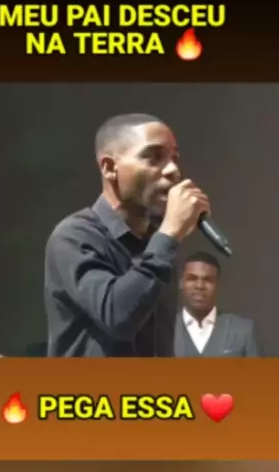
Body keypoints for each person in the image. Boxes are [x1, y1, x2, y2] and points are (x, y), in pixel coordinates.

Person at [44, 113, 211, 357]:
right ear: (109, 168)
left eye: (174, 158)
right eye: (154, 157)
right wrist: (169, 234)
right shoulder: (73, 236)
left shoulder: (156, 242)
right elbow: (118, 316)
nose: (173, 170)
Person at [174, 251, 259, 357]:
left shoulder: (243, 330)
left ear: (217, 285)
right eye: (192, 278)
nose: (200, 286)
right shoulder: (162, 331)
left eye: (208, 280)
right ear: (181, 283)